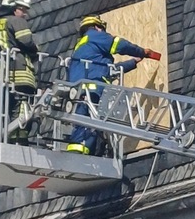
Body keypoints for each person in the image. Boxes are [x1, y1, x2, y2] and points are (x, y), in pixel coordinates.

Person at [65, 15, 157, 155]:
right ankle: (84, 153)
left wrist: (132, 62)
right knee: (92, 123)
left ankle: (79, 152)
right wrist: (142, 52)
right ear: (97, 27)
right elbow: (119, 44)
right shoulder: (96, 36)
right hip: (92, 89)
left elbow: (108, 70)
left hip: (80, 89)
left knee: (83, 123)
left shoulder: (84, 48)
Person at [0, 0, 39, 145]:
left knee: (5, 110)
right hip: (20, 73)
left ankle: (5, 139)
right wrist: (35, 50)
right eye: (23, 9)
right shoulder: (16, 21)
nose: (25, 14)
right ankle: (20, 140)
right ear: (13, 8)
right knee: (22, 107)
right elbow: (26, 41)